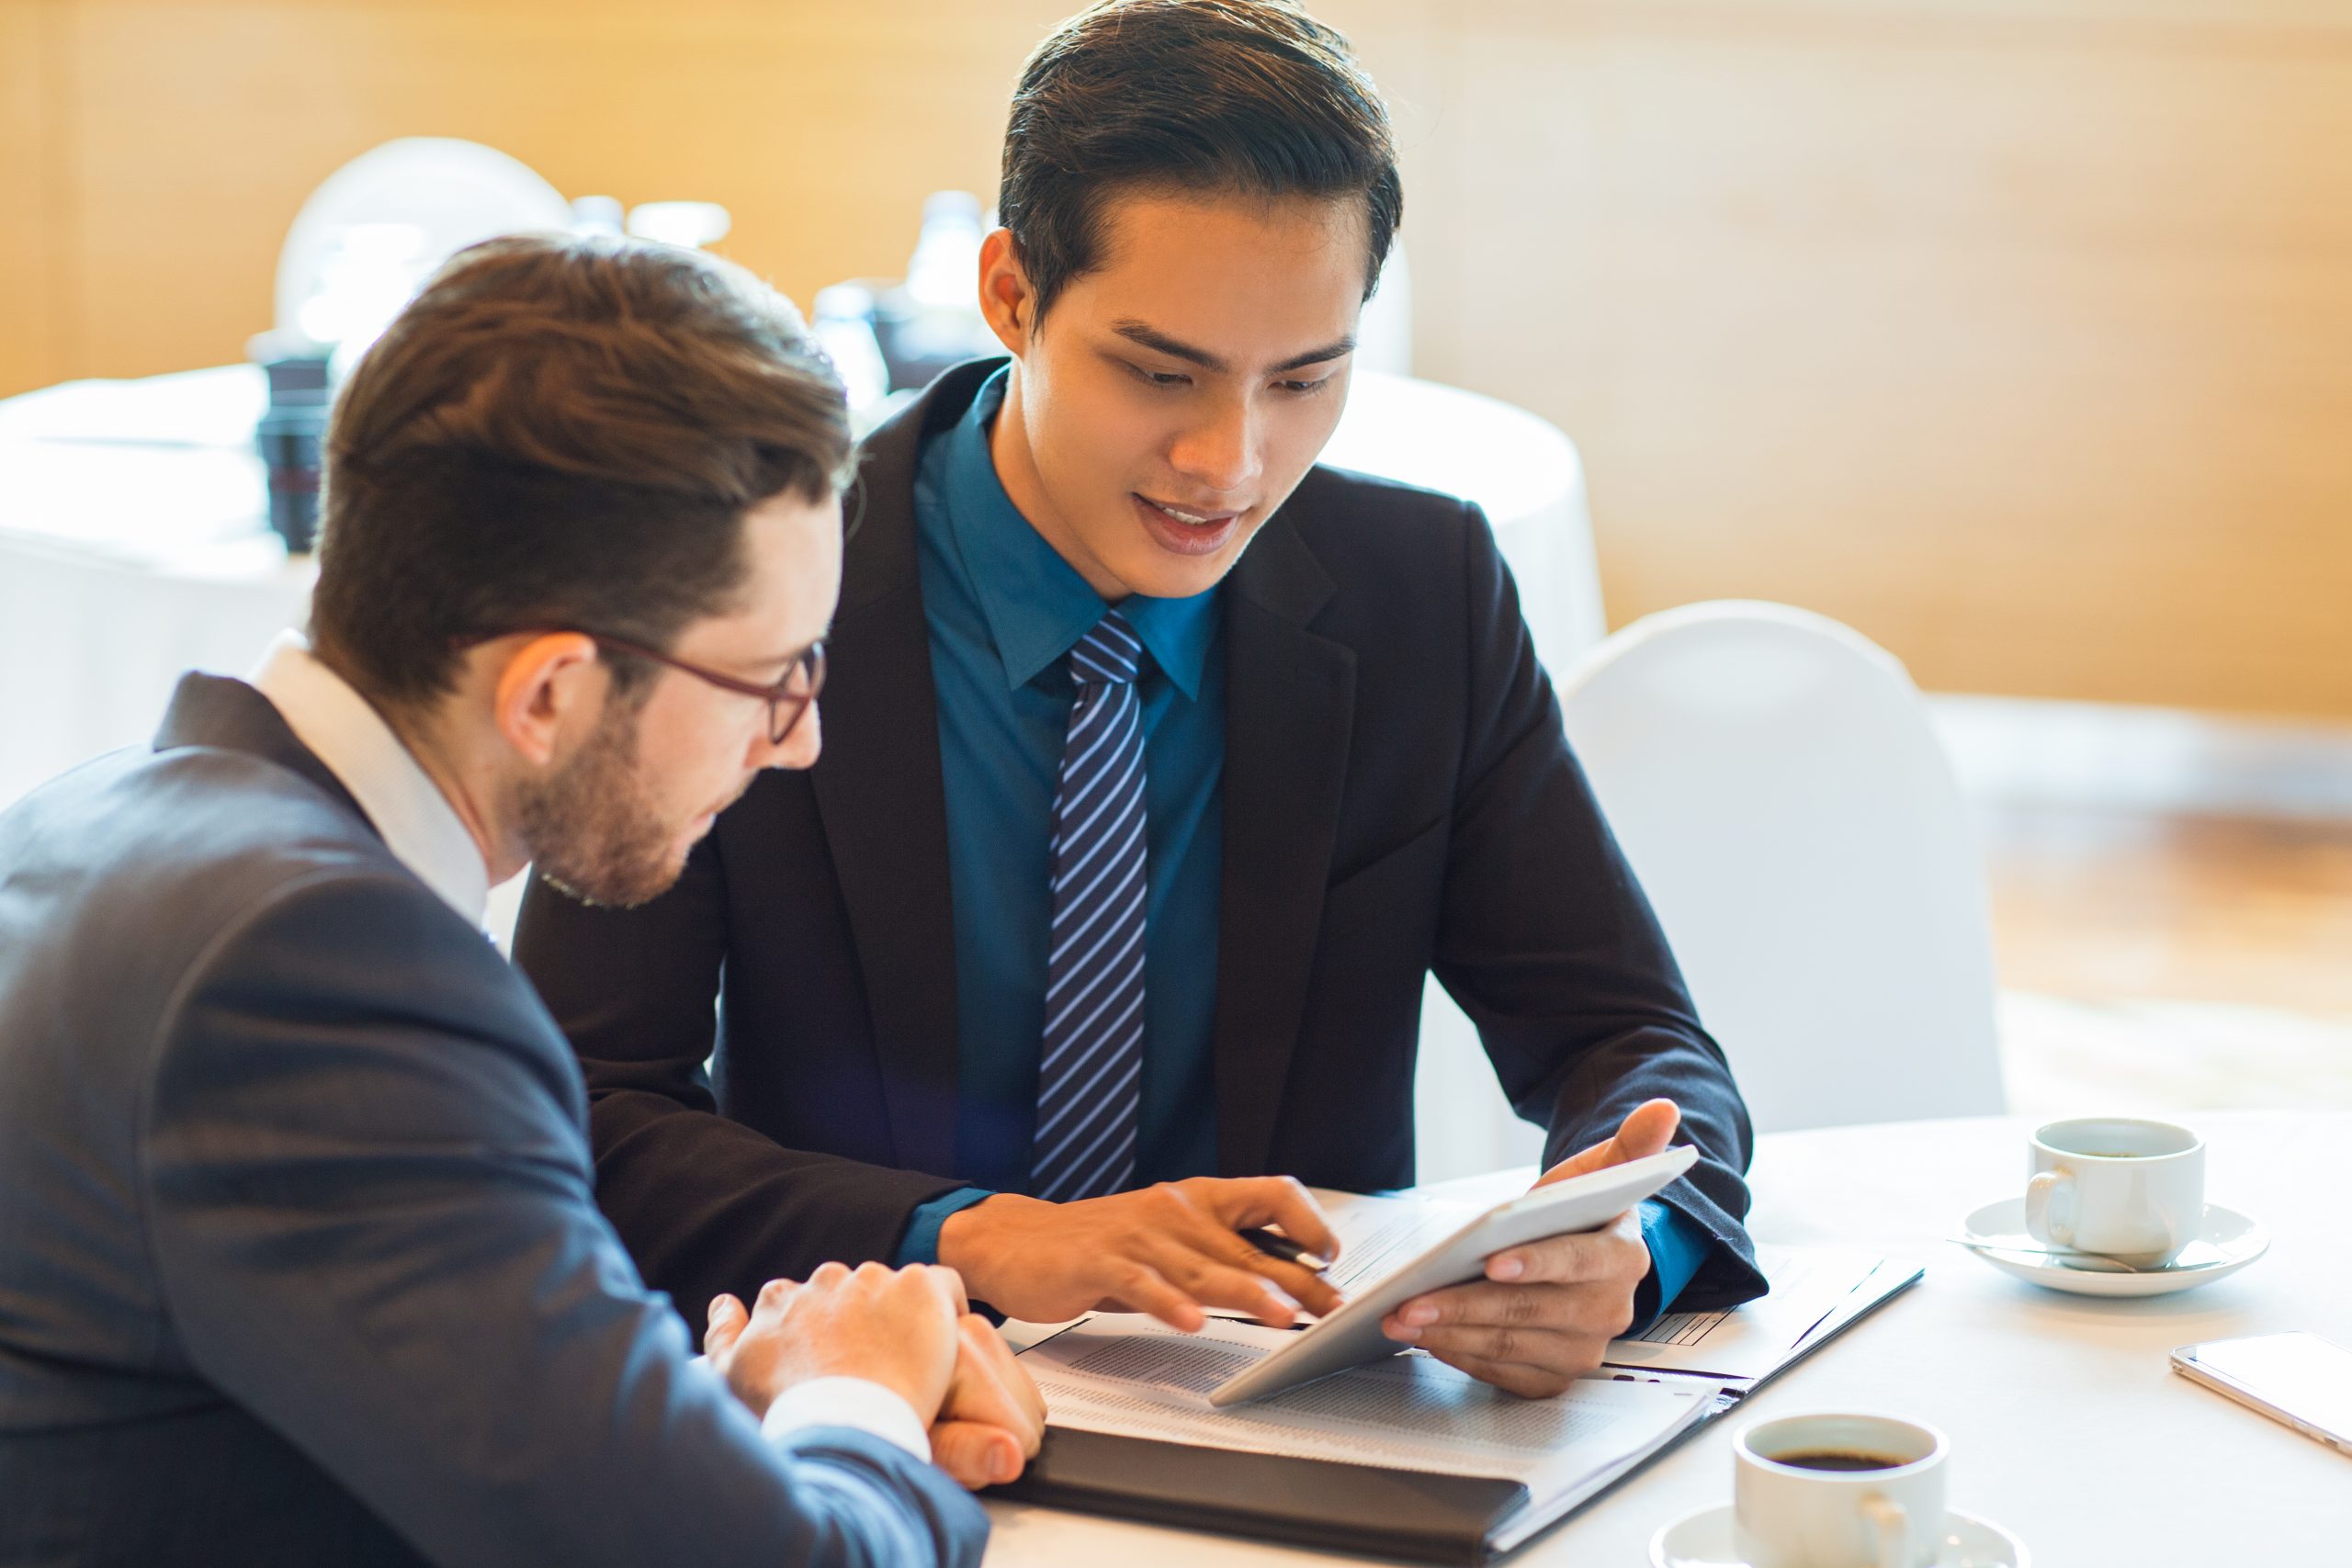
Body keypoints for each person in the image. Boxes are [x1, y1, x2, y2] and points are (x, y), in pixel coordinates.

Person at [518, 0, 1769, 1400]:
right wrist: (977, 1241)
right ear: (1009, 296)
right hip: (857, 1403)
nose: (1229, 461)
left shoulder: (1421, 589)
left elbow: (1631, 1040)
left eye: (1304, 379)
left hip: (1307, 1425)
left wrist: (1626, 1247)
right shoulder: (746, 583)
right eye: (1160, 371)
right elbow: (578, 1113)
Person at [0, 234, 1042, 1568]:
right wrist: (860, 1390)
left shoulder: (95, 820)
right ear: (548, 693)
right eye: (771, 680)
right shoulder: (322, 977)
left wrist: (710, 1423)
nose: (800, 744)